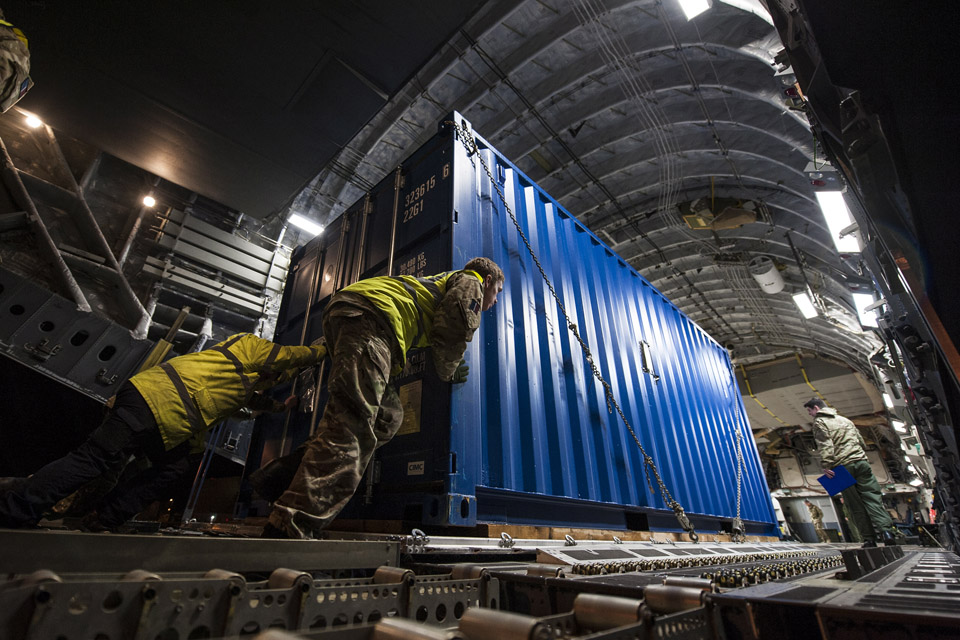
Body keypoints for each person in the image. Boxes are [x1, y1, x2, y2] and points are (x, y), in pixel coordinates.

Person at [262, 257, 504, 539]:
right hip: (372, 320)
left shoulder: (441, 282)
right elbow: (455, 322)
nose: (495, 300)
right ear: (487, 281)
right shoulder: (472, 281)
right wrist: (449, 369)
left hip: (356, 313)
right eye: (497, 291)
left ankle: (283, 478)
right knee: (353, 428)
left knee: (387, 417)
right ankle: (289, 526)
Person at [0, 333, 326, 531]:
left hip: (146, 400)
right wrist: (321, 350)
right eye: (277, 373)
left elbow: (253, 403)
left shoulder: (235, 380)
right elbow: (286, 357)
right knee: (93, 461)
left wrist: (284, 407)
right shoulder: (249, 346)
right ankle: (30, 510)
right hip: (157, 408)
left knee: (164, 465)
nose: (275, 376)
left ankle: (93, 515)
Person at [804, 397, 897, 547]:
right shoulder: (845, 420)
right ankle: (886, 532)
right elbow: (860, 441)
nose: (810, 414)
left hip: (843, 466)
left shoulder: (820, 422)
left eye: (809, 411)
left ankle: (869, 539)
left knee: (854, 505)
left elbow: (826, 445)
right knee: (873, 499)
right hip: (861, 462)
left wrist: (826, 465)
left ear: (816, 408)